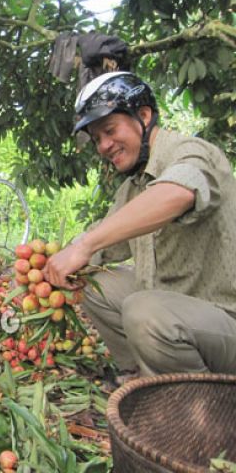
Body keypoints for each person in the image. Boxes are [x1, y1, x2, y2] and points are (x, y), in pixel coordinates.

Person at [43, 71, 236, 381]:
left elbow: (178, 191)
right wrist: (48, 266)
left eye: (109, 130)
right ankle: (141, 377)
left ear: (143, 116)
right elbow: (101, 241)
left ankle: (197, 403)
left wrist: (84, 247)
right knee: (91, 284)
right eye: (97, 139)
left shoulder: (191, 151)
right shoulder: (134, 186)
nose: (104, 146)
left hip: (225, 323)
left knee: (144, 311)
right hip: (177, 316)